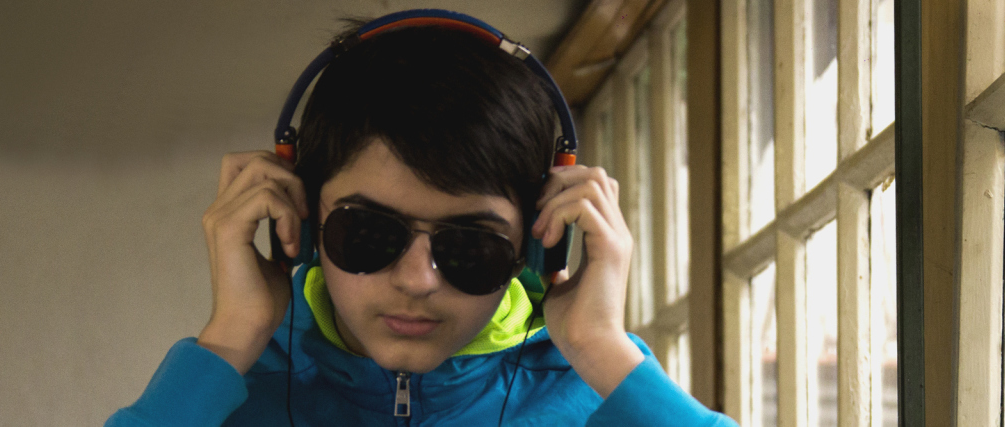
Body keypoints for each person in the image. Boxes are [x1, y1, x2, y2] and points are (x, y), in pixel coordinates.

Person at [106, 11, 736, 427]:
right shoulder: (221, 395)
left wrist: (602, 350)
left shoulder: (607, 392)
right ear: (300, 222)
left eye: (471, 246)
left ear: (537, 244)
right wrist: (229, 341)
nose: (417, 280)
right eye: (368, 233)